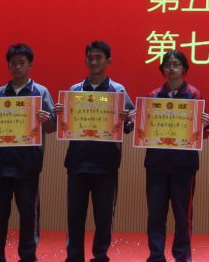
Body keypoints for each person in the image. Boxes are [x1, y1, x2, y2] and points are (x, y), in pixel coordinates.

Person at [0, 43, 56, 262]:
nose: (17, 67)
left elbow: (52, 127)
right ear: (8, 65)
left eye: (22, 63)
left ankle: (28, 255)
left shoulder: (41, 92)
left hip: (28, 165)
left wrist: (46, 119)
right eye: (13, 63)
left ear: (30, 65)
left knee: (28, 214)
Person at [54, 40, 135, 262]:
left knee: (104, 217)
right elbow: (64, 125)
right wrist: (59, 114)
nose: (94, 61)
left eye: (98, 57)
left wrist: (128, 119)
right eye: (90, 57)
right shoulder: (74, 91)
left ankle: (100, 255)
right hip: (77, 163)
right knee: (75, 217)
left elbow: (129, 126)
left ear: (108, 61)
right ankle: (74, 256)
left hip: (106, 165)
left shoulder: (118, 91)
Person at [142, 49, 209, 262]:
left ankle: (182, 256)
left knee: (183, 216)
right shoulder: (154, 96)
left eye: (176, 64)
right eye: (167, 65)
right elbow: (146, 131)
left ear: (184, 68)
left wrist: (204, 125)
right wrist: (139, 121)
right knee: (156, 215)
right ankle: (156, 255)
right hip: (156, 164)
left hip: (184, 165)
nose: (171, 68)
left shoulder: (194, 94)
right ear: (162, 69)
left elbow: (202, 134)